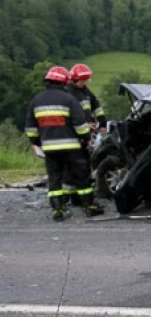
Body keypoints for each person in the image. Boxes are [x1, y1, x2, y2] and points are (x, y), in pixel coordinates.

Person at [24, 66, 104, 221]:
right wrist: (86, 138)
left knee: (54, 179)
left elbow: (30, 129)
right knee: (82, 177)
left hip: (49, 149)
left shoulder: (37, 100)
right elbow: (80, 125)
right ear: (64, 81)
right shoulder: (68, 99)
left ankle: (57, 211)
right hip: (72, 148)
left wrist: (39, 142)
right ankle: (90, 207)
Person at [67, 63, 106, 203]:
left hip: (86, 134)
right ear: (74, 79)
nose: (84, 83)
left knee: (85, 164)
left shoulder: (85, 91)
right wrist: (84, 125)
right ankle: (76, 198)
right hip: (74, 135)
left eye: (86, 80)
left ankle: (83, 195)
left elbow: (96, 106)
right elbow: (70, 116)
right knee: (76, 167)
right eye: (82, 80)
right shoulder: (68, 92)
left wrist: (102, 122)